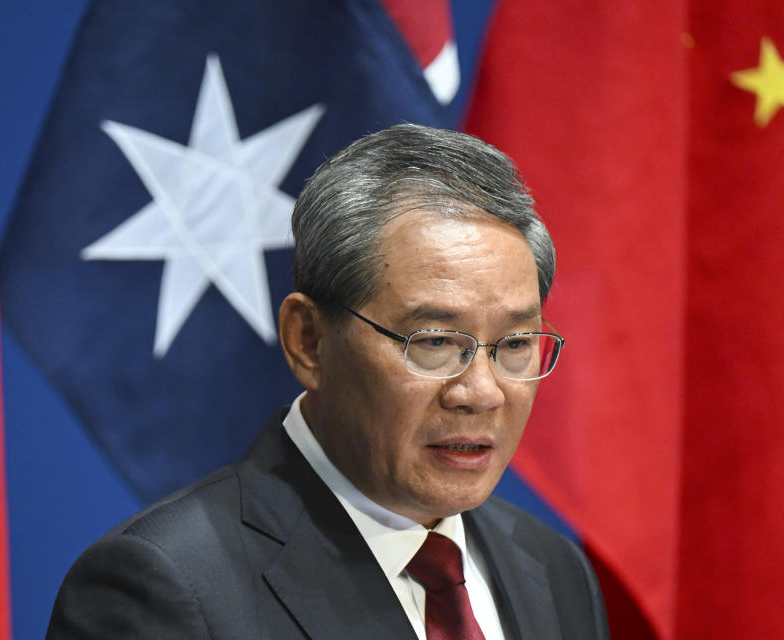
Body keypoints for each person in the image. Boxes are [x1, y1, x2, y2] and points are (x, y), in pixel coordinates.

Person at [46, 124, 610, 639]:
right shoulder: (164, 588)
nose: (481, 392)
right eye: (435, 342)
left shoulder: (553, 570)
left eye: (513, 345)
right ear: (309, 340)